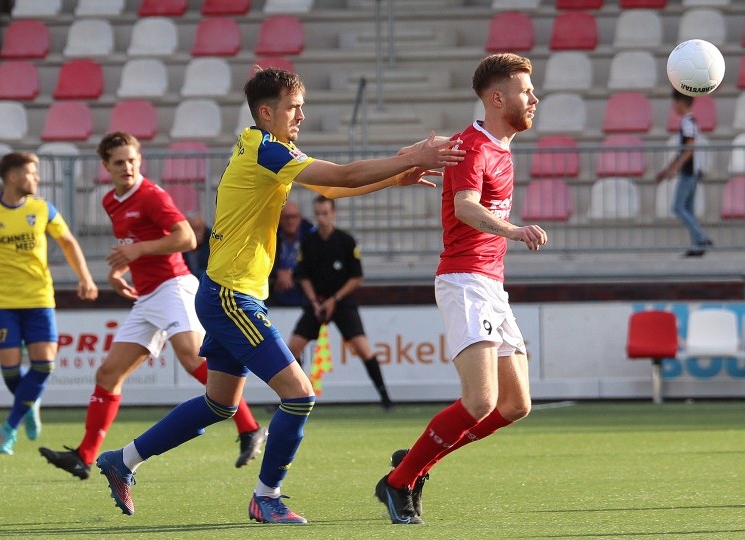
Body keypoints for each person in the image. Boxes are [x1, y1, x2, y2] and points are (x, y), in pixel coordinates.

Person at [94, 67, 464, 524]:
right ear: (266, 112)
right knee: (299, 395)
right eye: (294, 107)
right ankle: (266, 496)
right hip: (232, 296)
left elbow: (331, 185)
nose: (302, 115)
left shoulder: (269, 148)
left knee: (219, 403)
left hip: (227, 291)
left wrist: (395, 177)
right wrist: (416, 155)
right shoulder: (266, 150)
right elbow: (343, 175)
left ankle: (123, 459)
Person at [374, 53, 548, 524]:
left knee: (515, 405)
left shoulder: (498, 146)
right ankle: (398, 482)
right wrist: (512, 230)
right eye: (525, 89)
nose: (534, 97)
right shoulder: (473, 146)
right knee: (480, 401)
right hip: (465, 280)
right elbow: (466, 206)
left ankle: (412, 465)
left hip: (490, 283)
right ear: (497, 98)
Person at [38, 132, 267, 480]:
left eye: (132, 160)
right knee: (107, 374)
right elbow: (133, 244)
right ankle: (84, 457)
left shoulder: (151, 195)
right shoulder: (110, 201)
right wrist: (119, 270)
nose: (127, 167)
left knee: (192, 359)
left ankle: (249, 428)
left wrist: (137, 252)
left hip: (174, 287)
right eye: (119, 162)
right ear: (106, 167)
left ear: (139, 160)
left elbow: (187, 238)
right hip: (147, 297)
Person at [0, 151, 99, 455]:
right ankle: (30, 403)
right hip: (4, 304)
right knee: (12, 374)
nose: (37, 178)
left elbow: (67, 242)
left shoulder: (43, 209)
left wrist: (85, 277)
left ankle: (9, 428)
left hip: (39, 299)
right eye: (32, 173)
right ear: (13, 177)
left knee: (44, 366)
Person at [287, 195, 393, 409]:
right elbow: (303, 276)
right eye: (318, 214)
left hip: (342, 302)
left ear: (333, 213)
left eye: (325, 213)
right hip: (317, 303)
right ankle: (293, 396)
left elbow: (356, 278)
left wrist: (335, 299)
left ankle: (385, 397)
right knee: (292, 349)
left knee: (363, 348)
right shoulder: (308, 241)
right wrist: (315, 302)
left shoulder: (346, 241)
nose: (321, 218)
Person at [656, 88, 713, 257]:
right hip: (691, 170)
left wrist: (675, 168)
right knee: (688, 208)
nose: (673, 106)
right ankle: (697, 245)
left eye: (674, 102)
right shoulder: (690, 122)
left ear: (680, 103)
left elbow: (689, 147)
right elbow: (683, 150)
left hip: (689, 171)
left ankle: (701, 238)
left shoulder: (687, 122)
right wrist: (667, 169)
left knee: (678, 207)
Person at [268, 201, 313, 306]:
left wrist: (291, 272)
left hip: (303, 289)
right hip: (275, 287)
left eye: (294, 217)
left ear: (300, 218)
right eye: (286, 217)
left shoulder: (310, 234)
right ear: (279, 219)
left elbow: (313, 262)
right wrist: (278, 272)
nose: (290, 221)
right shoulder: (271, 234)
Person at [183, 213, 211, 279]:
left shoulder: (212, 242)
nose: (197, 233)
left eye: (199, 229)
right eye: (193, 229)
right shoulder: (182, 244)